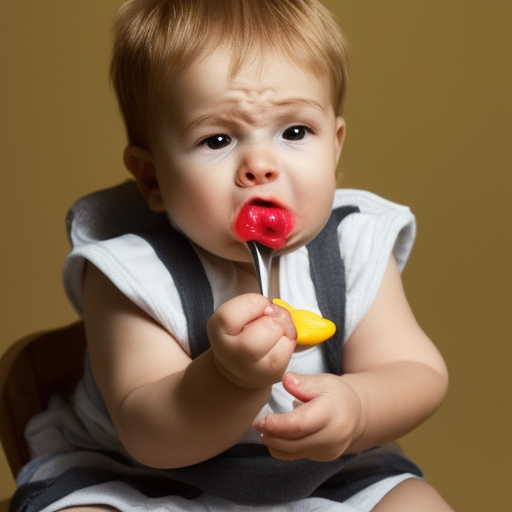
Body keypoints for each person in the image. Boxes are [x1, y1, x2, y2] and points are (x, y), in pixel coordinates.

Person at [11, 0, 454, 510]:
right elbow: (149, 434)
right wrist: (229, 380)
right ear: (152, 179)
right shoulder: (131, 272)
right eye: (217, 139)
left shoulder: (352, 247)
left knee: (415, 502)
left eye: (294, 132)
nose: (260, 166)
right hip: (141, 481)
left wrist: (358, 405)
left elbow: (415, 371)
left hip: (321, 478)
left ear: (334, 148)